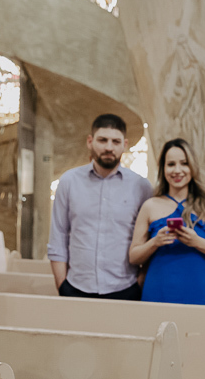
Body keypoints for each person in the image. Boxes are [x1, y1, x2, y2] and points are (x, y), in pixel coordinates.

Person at [48, 114, 152, 301]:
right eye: (102, 140)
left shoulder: (141, 186)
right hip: (76, 287)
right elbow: (58, 237)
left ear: (125, 144)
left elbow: (149, 240)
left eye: (115, 141)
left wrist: (140, 282)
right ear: (90, 141)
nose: (109, 147)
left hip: (126, 287)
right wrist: (62, 285)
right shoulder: (69, 181)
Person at [130, 138, 205, 305]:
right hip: (158, 289)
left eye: (184, 163)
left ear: (192, 167)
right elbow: (134, 257)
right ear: (163, 168)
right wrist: (155, 242)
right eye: (171, 164)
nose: (177, 170)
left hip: (197, 289)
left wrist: (196, 242)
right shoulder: (150, 206)